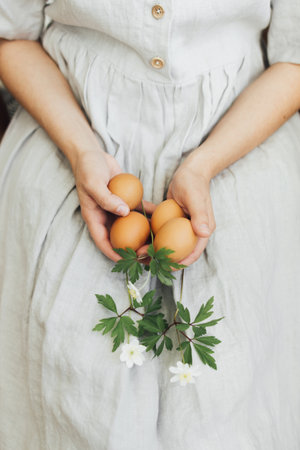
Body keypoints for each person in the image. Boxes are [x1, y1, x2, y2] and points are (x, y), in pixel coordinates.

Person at [0, 1, 300, 449]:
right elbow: (11, 36)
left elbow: (294, 60)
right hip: (68, 140)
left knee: (229, 407)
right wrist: (82, 150)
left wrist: (203, 165)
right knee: (73, 397)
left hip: (240, 148)